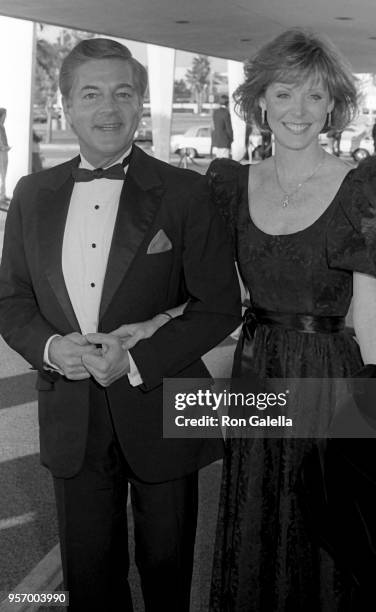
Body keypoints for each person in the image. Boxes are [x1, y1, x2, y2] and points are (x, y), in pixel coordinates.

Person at [0, 38, 241, 612]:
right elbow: (11, 300)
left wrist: (136, 358)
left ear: (139, 104)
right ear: (65, 106)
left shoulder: (186, 191)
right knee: (89, 576)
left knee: (167, 569)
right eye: (91, 94)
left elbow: (219, 305)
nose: (108, 108)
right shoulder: (31, 194)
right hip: (70, 415)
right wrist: (54, 347)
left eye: (122, 93)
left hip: (162, 405)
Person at [205, 28, 376, 610]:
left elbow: (369, 310)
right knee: (256, 510)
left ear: (333, 107)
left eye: (316, 97)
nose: (299, 111)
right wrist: (144, 333)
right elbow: (213, 299)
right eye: (284, 93)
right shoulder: (231, 185)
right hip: (255, 371)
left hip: (328, 378)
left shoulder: (361, 188)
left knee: (329, 517)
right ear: (261, 100)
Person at [211, 94, 233, 158]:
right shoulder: (226, 113)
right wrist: (231, 138)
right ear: (227, 103)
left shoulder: (216, 112)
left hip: (217, 140)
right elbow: (228, 128)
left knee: (218, 160)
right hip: (225, 140)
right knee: (225, 162)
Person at [0, 107, 10, 200]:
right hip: (1, 153)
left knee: (4, 174)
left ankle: (3, 195)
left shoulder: (2, 126)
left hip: (4, 152)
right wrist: (3, 147)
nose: (5, 117)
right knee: (2, 174)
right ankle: (1, 197)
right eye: (4, 115)